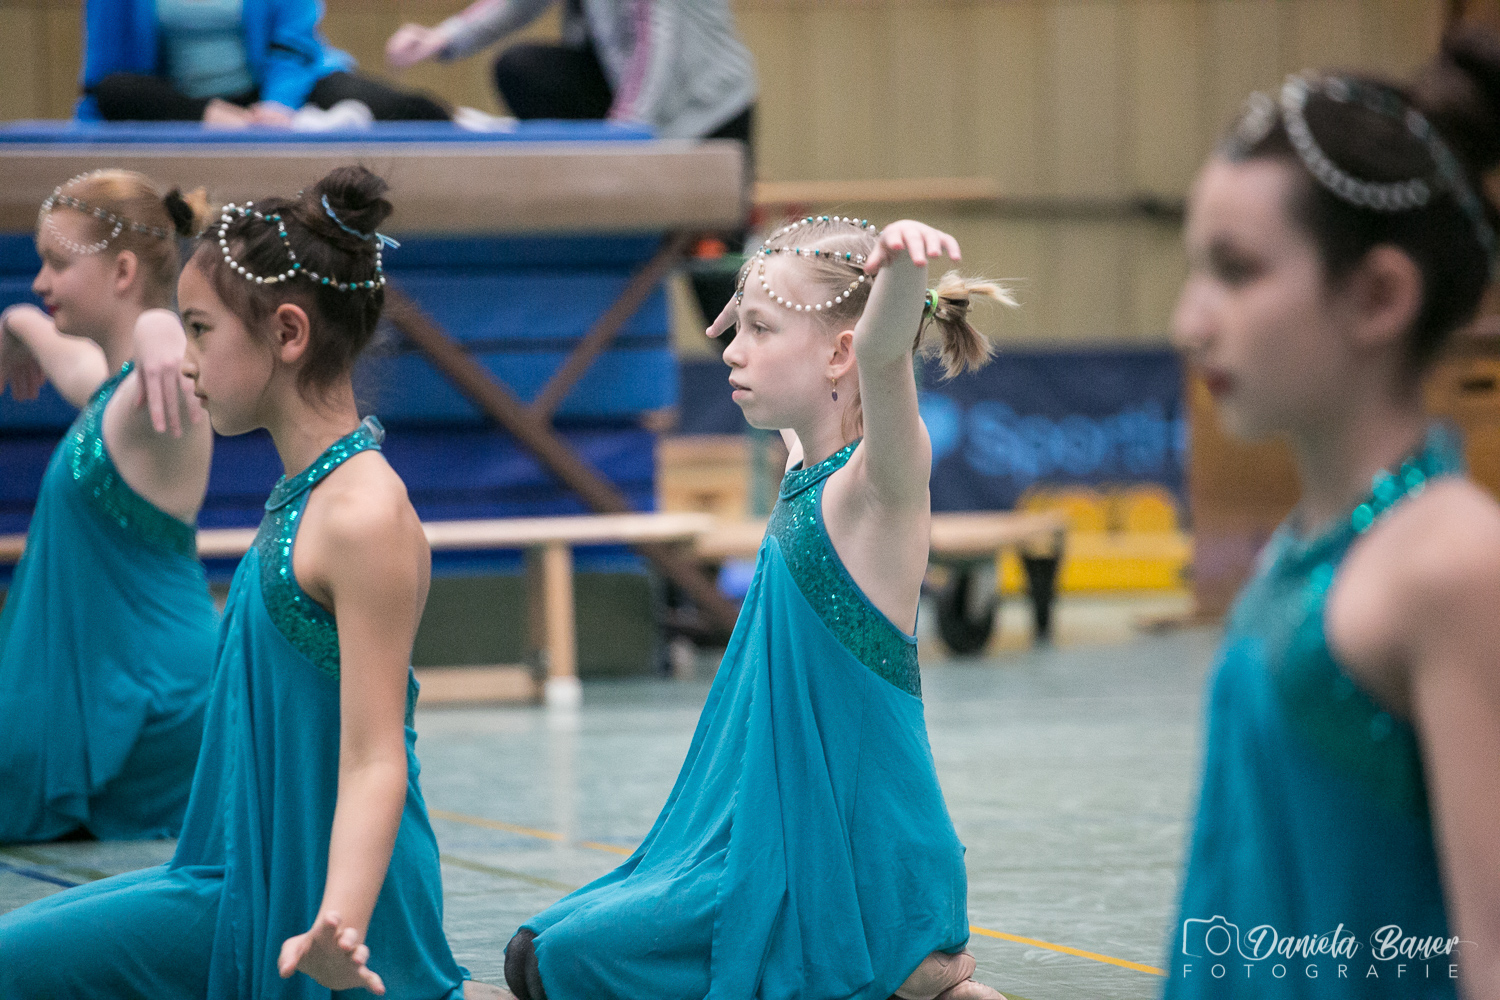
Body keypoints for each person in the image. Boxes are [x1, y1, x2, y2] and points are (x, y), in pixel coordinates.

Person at [499, 215, 1015, 1000]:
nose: (732, 350)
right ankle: (908, 979)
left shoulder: (878, 488)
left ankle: (901, 965)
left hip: (862, 864)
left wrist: (904, 271)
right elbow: (843, 351)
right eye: (737, 327)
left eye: (760, 331)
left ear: (841, 354)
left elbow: (883, 355)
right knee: (538, 951)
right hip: (784, 846)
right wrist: (759, 289)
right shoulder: (805, 458)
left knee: (555, 964)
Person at [0, 167, 470, 1000]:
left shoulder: (363, 514)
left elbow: (375, 757)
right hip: (242, 879)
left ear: (287, 333)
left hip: (323, 915)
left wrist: (339, 925)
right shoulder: (308, 492)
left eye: (199, 330)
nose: (183, 361)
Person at [1165, 26, 1500, 1000]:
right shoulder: (1302, 549)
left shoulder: (1451, 564)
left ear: (1379, 296)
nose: (1190, 321)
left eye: (1237, 270)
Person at [0, 170, 217, 843]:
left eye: (58, 264)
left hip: (149, 711)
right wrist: (17, 324)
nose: (41, 282)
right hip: (120, 697)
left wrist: (161, 324)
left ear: (124, 271)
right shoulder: (112, 392)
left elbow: (171, 349)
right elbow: (66, 359)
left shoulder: (161, 396)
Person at [384, 0, 756, 146]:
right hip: (621, 91)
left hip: (704, 111)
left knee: (715, 275)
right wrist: (443, 37)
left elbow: (657, 39)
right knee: (522, 68)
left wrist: (625, 129)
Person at [80, 0, 449, 125]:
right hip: (191, 105)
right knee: (115, 91)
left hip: (279, 89)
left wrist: (278, 105)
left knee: (402, 107)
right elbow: (103, 72)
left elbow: (294, 41)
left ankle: (464, 124)